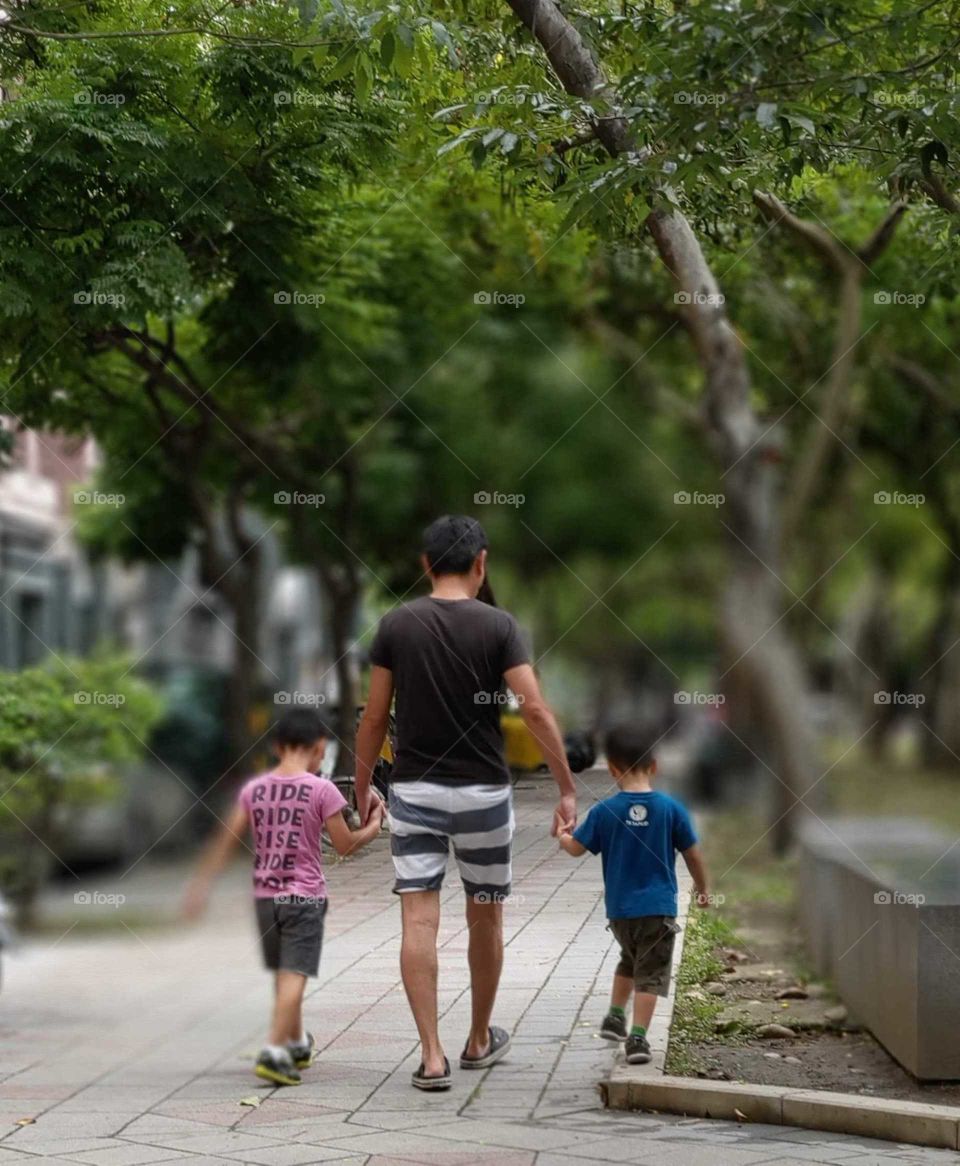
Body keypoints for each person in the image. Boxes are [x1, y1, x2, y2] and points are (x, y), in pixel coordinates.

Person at [355, 514, 577, 1091]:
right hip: (483, 792)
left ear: (425, 565)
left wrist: (361, 787)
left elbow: (375, 717)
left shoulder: (395, 626)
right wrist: (566, 786)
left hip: (416, 790)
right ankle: (478, 1039)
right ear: (481, 564)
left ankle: (431, 1056)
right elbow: (533, 710)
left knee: (418, 915)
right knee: (486, 912)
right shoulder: (499, 627)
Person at [183, 707, 383, 1086]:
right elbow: (344, 845)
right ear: (319, 746)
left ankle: (295, 1042)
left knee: (284, 973)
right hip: (304, 897)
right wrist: (373, 827)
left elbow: (225, 840)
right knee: (296, 973)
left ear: (277, 746)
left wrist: (200, 887)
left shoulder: (254, 790)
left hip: (265, 898)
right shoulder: (322, 790)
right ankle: (275, 1049)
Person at [558, 723, 709, 1065]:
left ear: (612, 768)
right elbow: (694, 855)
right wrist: (703, 889)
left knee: (630, 958)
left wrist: (563, 834)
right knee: (651, 973)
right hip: (657, 910)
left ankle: (615, 1015)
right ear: (654, 766)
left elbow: (575, 849)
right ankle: (638, 1038)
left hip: (620, 913)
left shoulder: (603, 811)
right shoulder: (670, 809)